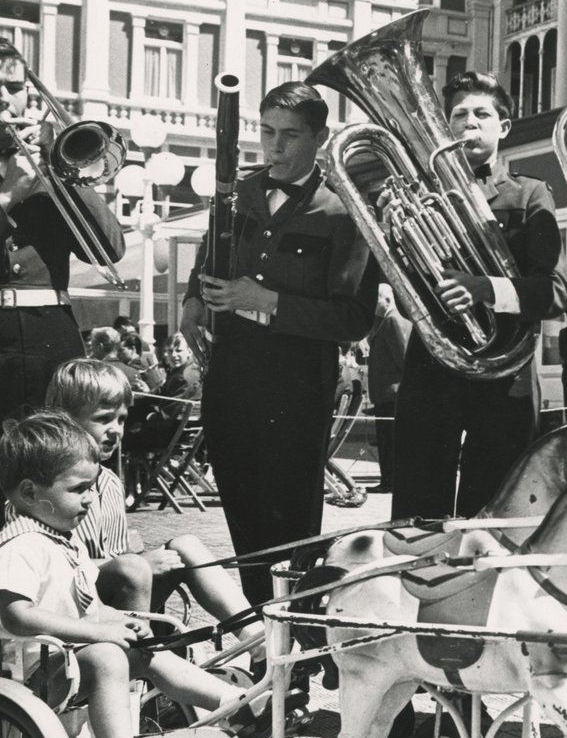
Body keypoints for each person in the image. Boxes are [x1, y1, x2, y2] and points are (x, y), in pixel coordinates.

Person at [0, 412, 257, 738]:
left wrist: (121, 620)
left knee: (142, 649)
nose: (91, 499)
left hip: (61, 663)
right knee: (108, 656)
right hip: (24, 670)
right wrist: (94, 631)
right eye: (79, 490)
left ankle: (233, 702)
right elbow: (17, 616)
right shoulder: (18, 547)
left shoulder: (58, 542)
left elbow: (86, 602)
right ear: (30, 492)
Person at [180, 82, 377, 608]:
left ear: (320, 137)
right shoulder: (240, 192)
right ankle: (258, 628)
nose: (275, 147)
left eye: (290, 136)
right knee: (240, 508)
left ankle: (297, 635)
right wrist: (191, 300)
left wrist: (266, 300)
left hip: (296, 382)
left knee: (290, 521)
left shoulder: (346, 211)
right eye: (267, 132)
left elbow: (354, 319)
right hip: (231, 372)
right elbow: (209, 255)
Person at [0, 36, 126, 656]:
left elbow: (107, 248)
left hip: (53, 339)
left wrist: (64, 176)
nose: (5, 100)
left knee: (63, 485)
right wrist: (7, 196)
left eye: (15, 87)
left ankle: (68, 642)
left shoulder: (53, 164)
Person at [391, 70, 567, 521]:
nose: (469, 123)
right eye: (458, 114)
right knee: (417, 511)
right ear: (445, 127)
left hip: (503, 370)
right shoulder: (421, 196)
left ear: (503, 127)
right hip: (433, 364)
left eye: (481, 114)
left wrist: (484, 289)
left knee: (494, 512)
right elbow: (400, 290)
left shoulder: (530, 194)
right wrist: (393, 234)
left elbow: (555, 293)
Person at [44, 359, 265, 657]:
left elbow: (119, 558)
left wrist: (135, 560)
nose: (116, 431)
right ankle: (141, 670)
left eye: (121, 420)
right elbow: (52, 569)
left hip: (113, 599)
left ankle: (257, 638)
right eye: (104, 419)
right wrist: (137, 563)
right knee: (134, 566)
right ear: (65, 420)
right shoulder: (47, 486)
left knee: (186, 546)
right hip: (71, 612)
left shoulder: (109, 482)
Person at [366, 284, 410, 493]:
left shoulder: (393, 321)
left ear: (386, 300)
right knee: (385, 440)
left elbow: (403, 358)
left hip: (391, 394)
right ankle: (388, 480)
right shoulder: (385, 321)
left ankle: (389, 481)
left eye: (375, 301)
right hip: (385, 394)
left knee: (388, 441)